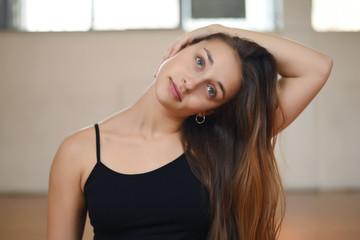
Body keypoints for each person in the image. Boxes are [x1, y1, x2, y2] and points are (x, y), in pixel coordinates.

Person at [47, 24, 332, 240]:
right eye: (200, 61)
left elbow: (317, 68)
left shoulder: (222, 144)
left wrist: (222, 30)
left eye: (211, 90)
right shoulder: (77, 152)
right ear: (182, 46)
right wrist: (217, 36)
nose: (189, 83)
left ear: (208, 110)